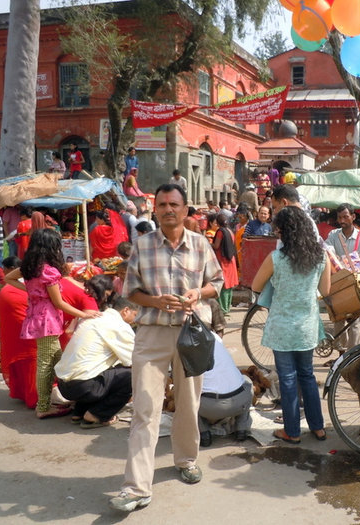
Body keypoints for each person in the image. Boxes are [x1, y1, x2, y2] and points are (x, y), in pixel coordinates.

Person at [110, 183, 223, 512]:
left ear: (186, 210)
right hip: (151, 335)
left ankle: (186, 459)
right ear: (155, 210)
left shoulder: (201, 245)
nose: (168, 209)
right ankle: (136, 487)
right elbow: (131, 291)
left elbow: (217, 283)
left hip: (190, 334)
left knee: (188, 403)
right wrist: (155, 301)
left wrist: (197, 294)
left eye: (175, 204)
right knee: (145, 409)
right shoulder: (142, 246)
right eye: (162, 204)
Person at [252, 206, 331, 445]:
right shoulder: (321, 256)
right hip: (307, 326)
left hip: (282, 327)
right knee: (307, 375)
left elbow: (256, 286)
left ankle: (292, 431)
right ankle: (318, 428)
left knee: (287, 378)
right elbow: (325, 291)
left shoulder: (275, 258)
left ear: (283, 231)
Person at [4, 229, 100, 419]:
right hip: (47, 320)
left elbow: (8, 278)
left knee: (55, 359)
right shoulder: (49, 271)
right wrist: (84, 315)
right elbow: (59, 303)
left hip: (36, 317)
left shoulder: (29, 266)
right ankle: (43, 406)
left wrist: (32, 291)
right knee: (47, 364)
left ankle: (58, 399)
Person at [55, 296, 137, 428]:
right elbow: (135, 360)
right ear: (126, 310)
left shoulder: (94, 318)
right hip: (83, 386)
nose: (135, 320)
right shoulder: (119, 325)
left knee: (102, 370)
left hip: (64, 384)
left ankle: (79, 412)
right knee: (133, 375)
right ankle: (96, 415)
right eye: (135, 315)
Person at [325, 203, 360, 351]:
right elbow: (327, 251)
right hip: (338, 281)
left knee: (355, 320)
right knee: (339, 318)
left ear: (353, 217)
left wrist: (359, 260)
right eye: (340, 217)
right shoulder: (333, 235)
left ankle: (352, 354)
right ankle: (340, 353)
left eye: (345, 216)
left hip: (355, 282)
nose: (342, 220)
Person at [0, 256, 38, 409]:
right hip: (29, 329)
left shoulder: (12, 285)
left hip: (20, 329)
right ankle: (34, 396)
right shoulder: (30, 283)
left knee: (25, 358)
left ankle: (24, 392)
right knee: (31, 358)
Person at [198, 336, 252, 447]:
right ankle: (241, 429)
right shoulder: (214, 336)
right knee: (246, 381)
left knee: (183, 395)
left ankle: (204, 434)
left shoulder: (180, 343)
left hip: (210, 408)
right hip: (240, 401)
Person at [212, 212, 238, 315]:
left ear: (218, 222)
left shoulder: (220, 232)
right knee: (229, 286)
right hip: (231, 260)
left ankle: (223, 309)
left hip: (223, 261)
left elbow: (216, 246)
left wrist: (208, 242)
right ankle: (227, 307)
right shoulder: (230, 231)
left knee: (223, 285)